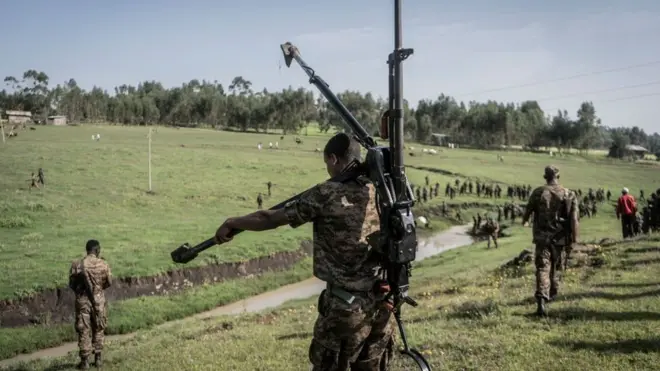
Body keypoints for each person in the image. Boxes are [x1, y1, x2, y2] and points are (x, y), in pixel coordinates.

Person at [215, 132, 394, 370]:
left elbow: (268, 218)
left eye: (327, 164)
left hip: (345, 308)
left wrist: (232, 222)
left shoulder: (326, 193)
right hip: (382, 302)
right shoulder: (379, 189)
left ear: (333, 159)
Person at [522, 165, 579, 316]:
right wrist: (574, 240)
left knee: (542, 267)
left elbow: (526, 214)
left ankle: (541, 299)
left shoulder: (538, 192)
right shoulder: (569, 194)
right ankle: (552, 294)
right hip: (560, 239)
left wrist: (526, 221)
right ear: (558, 176)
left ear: (545, 177)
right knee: (557, 267)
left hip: (542, 238)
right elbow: (574, 220)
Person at [69, 240, 112, 369]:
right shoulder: (104, 264)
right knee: (99, 327)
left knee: (84, 330)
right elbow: (109, 282)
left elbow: (71, 284)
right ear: (97, 250)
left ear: (86, 250)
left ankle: (85, 362)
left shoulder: (77, 265)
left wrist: (81, 292)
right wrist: (97, 290)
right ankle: (98, 359)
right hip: (98, 300)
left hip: (82, 301)